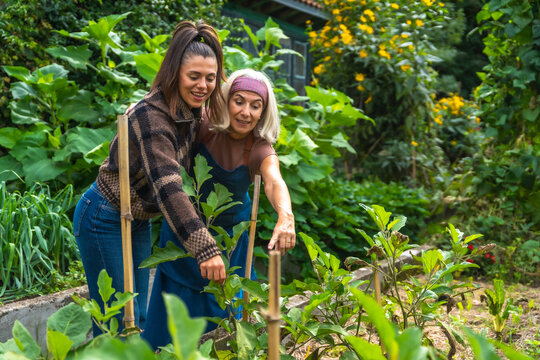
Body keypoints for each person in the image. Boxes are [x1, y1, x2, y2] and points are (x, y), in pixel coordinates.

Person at [72, 20, 227, 336]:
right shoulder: (152, 117)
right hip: (104, 215)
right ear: (175, 74)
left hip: (136, 217)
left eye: (210, 78)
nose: (203, 85)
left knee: (136, 318)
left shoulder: (190, 111)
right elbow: (169, 188)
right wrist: (206, 248)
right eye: (193, 76)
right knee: (115, 320)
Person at [142, 68, 296, 350]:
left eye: (255, 105)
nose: (246, 112)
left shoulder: (259, 148)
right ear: (226, 101)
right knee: (171, 319)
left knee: (220, 320)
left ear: (264, 111)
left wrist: (286, 216)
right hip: (186, 236)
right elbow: (162, 116)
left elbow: (275, 181)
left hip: (228, 243)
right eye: (239, 101)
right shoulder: (205, 127)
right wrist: (139, 111)